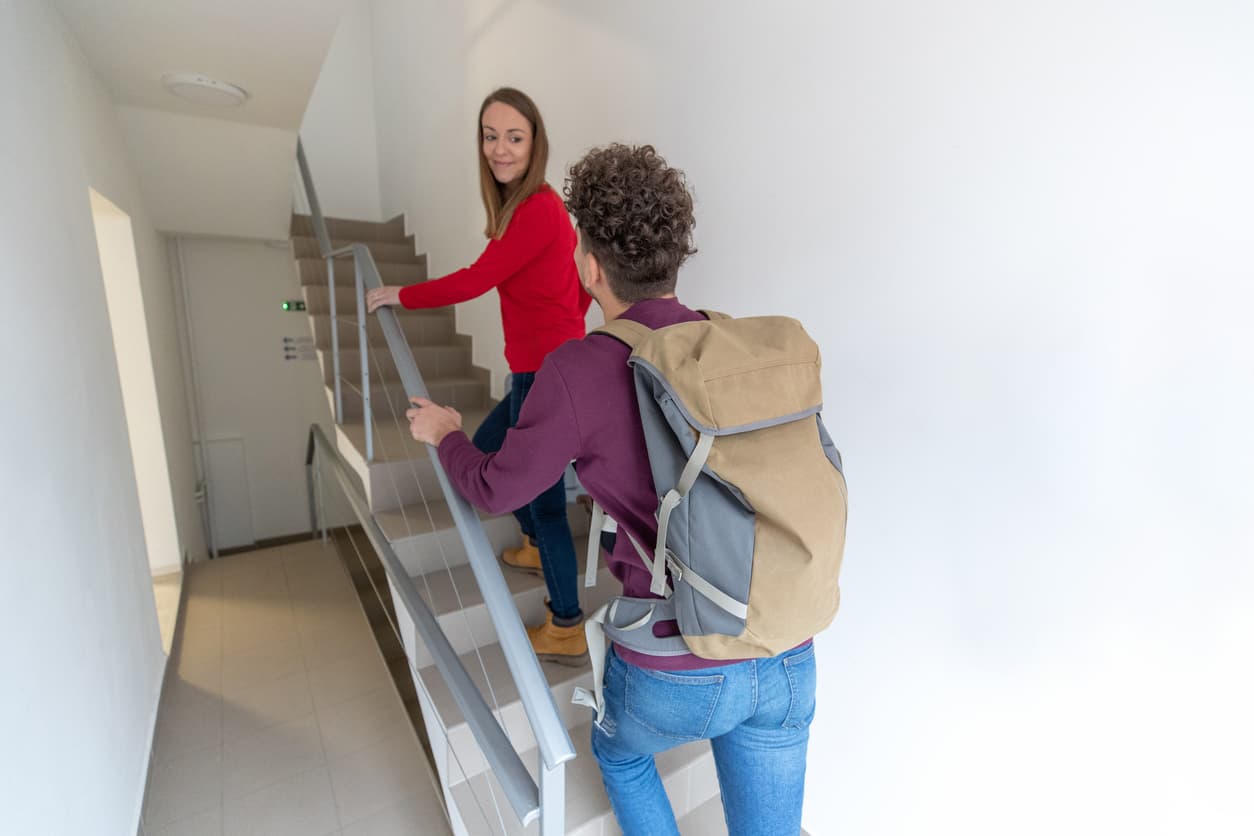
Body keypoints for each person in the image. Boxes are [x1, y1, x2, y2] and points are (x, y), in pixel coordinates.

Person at [406, 144, 816, 836]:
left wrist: (449, 432)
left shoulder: (579, 369)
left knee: (618, 754)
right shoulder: (724, 345)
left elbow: (494, 489)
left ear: (591, 268)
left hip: (677, 664)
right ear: (673, 258)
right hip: (785, 645)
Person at [366, 87, 590, 665]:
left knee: (539, 500)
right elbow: (570, 292)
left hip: (542, 374)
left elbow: (476, 279)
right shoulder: (526, 210)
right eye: (490, 136)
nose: (500, 148)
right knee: (484, 450)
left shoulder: (539, 207)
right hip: (538, 369)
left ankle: (566, 623)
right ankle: (539, 547)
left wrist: (402, 294)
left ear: (534, 143)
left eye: (514, 137)